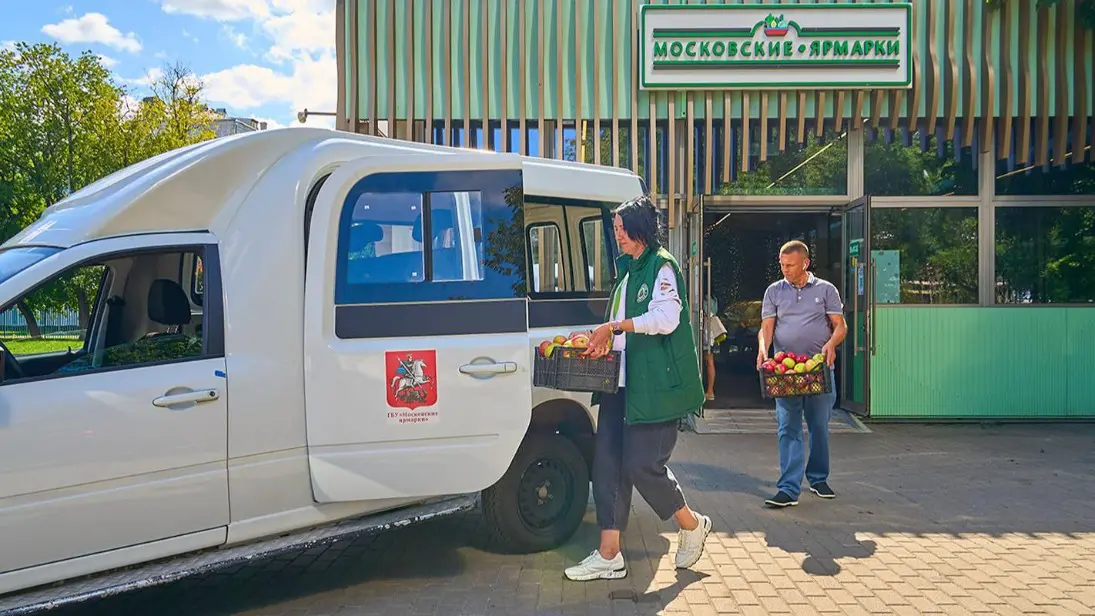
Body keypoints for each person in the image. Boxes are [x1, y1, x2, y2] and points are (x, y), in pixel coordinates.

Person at [563, 195, 711, 582]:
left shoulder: (661, 266)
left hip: (654, 387)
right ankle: (609, 554)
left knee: (642, 466)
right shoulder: (627, 271)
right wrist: (597, 338)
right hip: (620, 384)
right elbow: (621, 326)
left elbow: (666, 318)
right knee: (608, 465)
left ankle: (692, 524)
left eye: (621, 229)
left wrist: (614, 327)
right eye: (615, 230)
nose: (618, 237)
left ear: (640, 228)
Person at [756, 240, 847, 509]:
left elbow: (840, 326)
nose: (784, 269)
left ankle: (818, 478)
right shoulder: (774, 291)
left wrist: (832, 344)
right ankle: (788, 488)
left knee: (819, 427)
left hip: (819, 370)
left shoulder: (826, 290)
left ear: (805, 264)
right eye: (782, 264)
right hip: (787, 374)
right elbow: (767, 328)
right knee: (788, 428)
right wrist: (764, 349)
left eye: (790, 265)